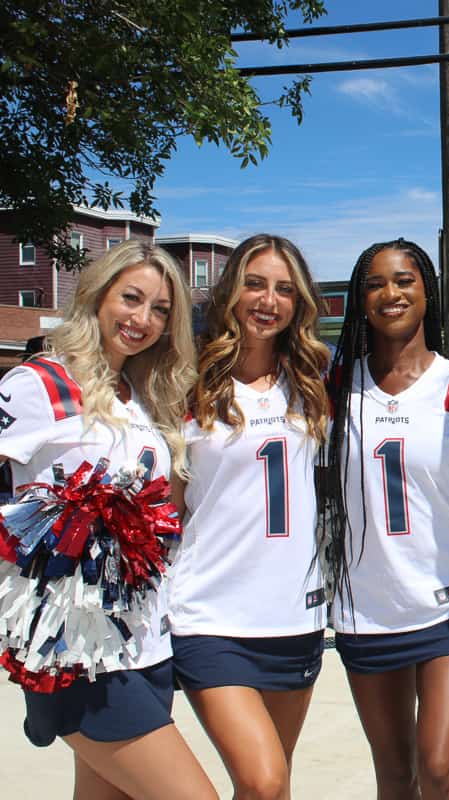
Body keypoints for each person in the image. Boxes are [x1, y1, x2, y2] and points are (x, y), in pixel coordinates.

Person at [0, 240, 216, 799]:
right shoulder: (41, 383)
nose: (143, 319)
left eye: (162, 309)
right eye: (131, 298)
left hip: (149, 640)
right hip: (76, 647)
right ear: (97, 295)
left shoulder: (148, 395)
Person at [317, 238, 449, 799]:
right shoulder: (335, 388)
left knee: (440, 767)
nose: (389, 294)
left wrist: (434, 509)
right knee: (395, 776)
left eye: (403, 281)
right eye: (374, 284)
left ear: (427, 292)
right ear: (359, 298)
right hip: (365, 605)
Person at [169, 234, 330, 800]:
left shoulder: (314, 383)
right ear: (230, 291)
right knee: (262, 781)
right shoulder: (187, 384)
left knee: (273, 785)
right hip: (211, 615)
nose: (268, 300)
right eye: (255, 284)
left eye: (284, 289)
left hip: (295, 616)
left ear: (300, 303)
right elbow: (167, 505)